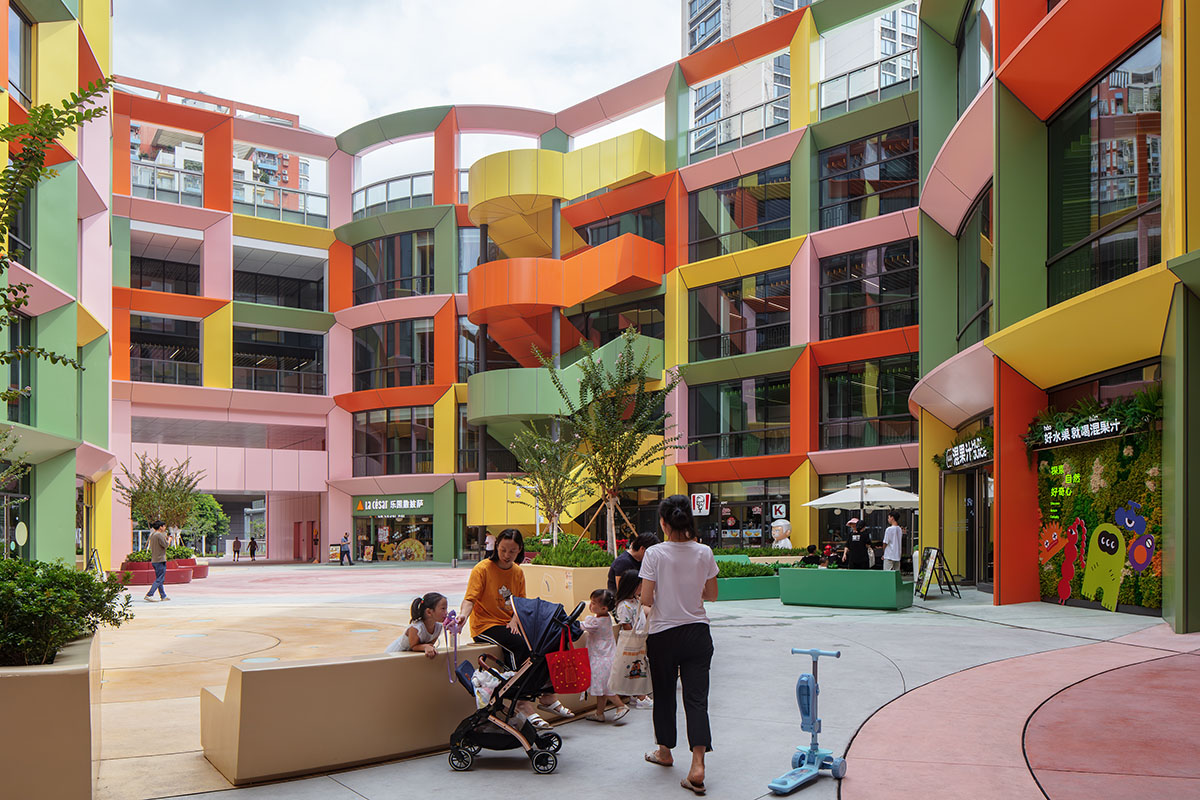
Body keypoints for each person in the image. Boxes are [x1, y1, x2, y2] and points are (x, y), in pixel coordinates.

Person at [641, 495, 718, 796]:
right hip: (698, 633)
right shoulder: (704, 552)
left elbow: (646, 599)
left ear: (663, 522)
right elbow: (712, 594)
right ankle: (697, 765)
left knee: (664, 694)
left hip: (663, 635)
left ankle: (665, 751)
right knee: (697, 699)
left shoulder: (655, 554)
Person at [457, 529, 573, 729]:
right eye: (503, 549)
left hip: (509, 623)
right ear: (496, 547)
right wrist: (462, 616)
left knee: (546, 640)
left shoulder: (518, 571)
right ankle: (522, 703)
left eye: (512, 551)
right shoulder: (482, 569)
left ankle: (547, 695)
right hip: (486, 625)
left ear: (519, 550)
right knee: (518, 646)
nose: (506, 554)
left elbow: (520, 602)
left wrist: (515, 619)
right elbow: (470, 598)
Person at [580, 588, 629, 722]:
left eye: (594, 603)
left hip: (600, 659)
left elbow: (581, 626)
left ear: (603, 608)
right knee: (601, 687)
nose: (591, 605)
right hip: (607, 657)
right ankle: (599, 713)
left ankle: (620, 706)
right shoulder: (606, 617)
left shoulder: (595, 622)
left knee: (606, 688)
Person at [612, 569, 652, 708]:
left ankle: (638, 695)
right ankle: (640, 696)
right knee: (634, 669)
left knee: (638, 668)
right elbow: (626, 625)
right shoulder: (624, 605)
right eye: (640, 584)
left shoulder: (636, 600)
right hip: (632, 642)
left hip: (639, 640)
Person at [386, 592, 447, 658]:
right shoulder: (416, 628)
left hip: (410, 655)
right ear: (429, 612)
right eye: (443, 609)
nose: (446, 612)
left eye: (446, 609)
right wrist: (426, 647)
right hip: (395, 654)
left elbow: (430, 644)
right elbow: (414, 646)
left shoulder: (439, 627)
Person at [144, 521, 171, 602]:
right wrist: (169, 540)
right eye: (164, 526)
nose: (165, 528)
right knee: (159, 579)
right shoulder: (159, 535)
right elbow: (166, 545)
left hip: (155, 559)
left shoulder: (153, 534)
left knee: (160, 578)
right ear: (160, 527)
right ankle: (149, 594)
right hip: (160, 559)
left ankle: (163, 595)